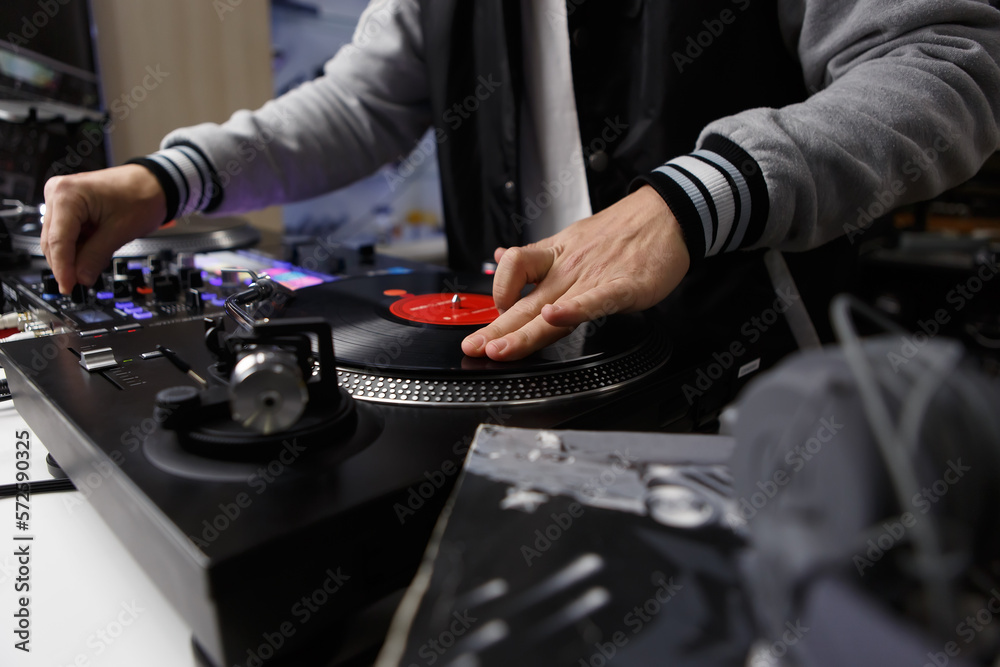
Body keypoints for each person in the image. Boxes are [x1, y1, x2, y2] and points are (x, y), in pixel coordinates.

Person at [40, 0, 1000, 362]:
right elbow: (360, 103)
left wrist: (693, 197)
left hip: (743, 378)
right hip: (510, 369)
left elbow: (946, 59)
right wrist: (165, 180)